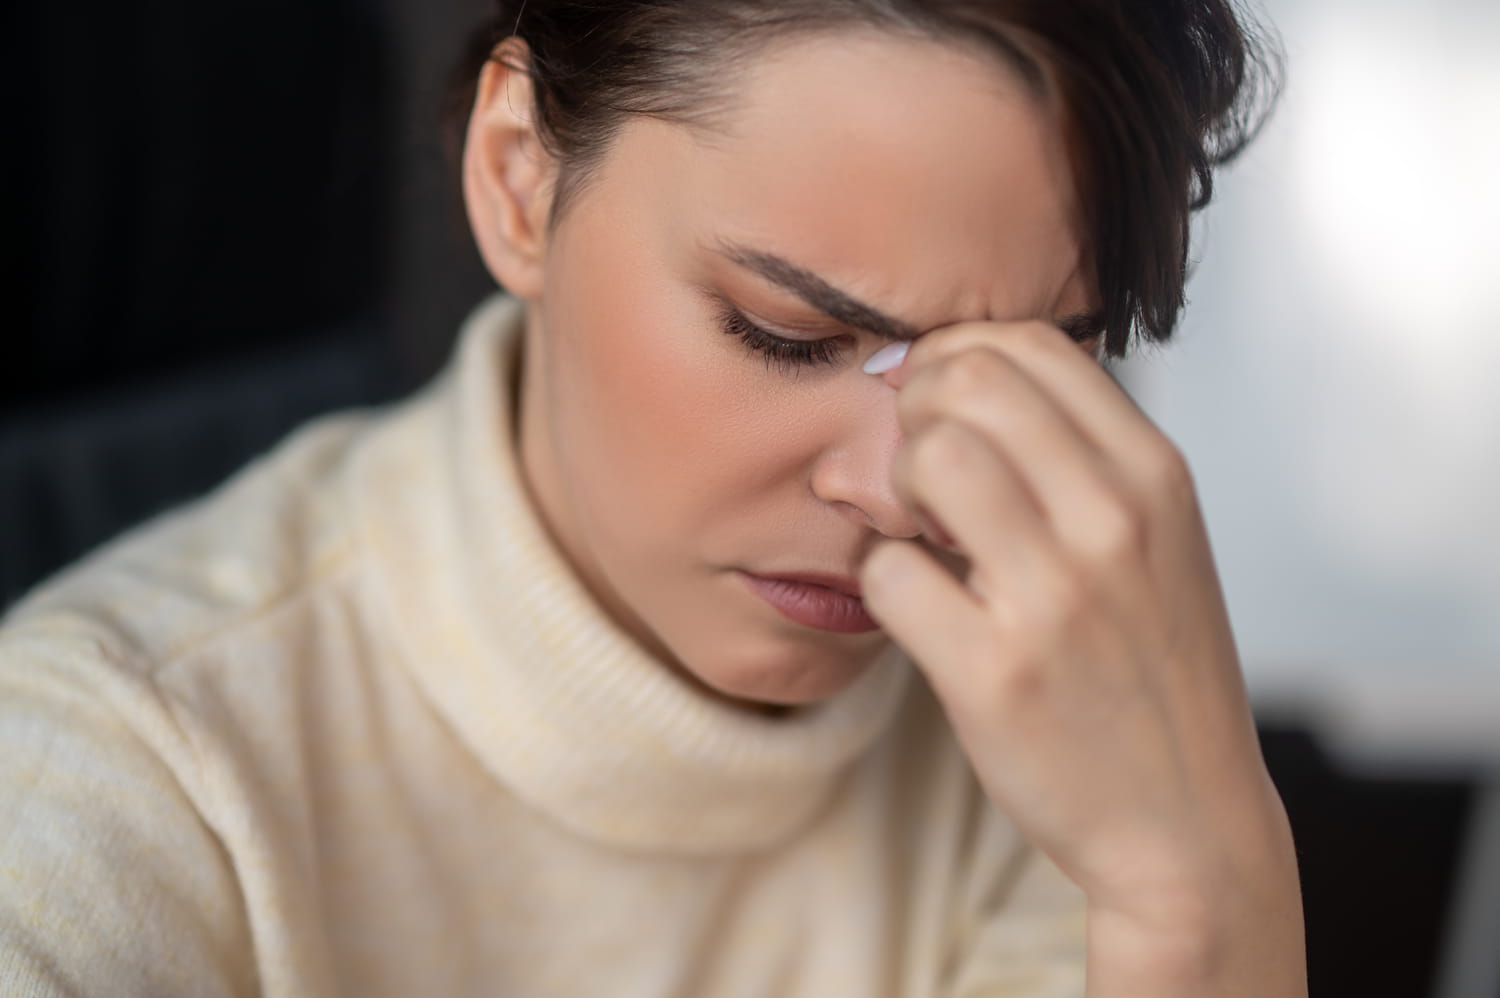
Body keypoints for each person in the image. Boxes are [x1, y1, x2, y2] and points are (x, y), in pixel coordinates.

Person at [0, 1, 1302, 995]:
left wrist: (1196, 887)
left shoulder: (1066, 735)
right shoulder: (114, 779)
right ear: (518, 176)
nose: (899, 491)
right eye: (786, 333)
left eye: (1032, 365)